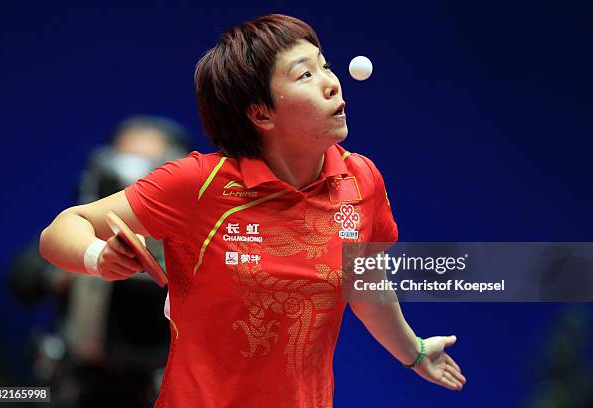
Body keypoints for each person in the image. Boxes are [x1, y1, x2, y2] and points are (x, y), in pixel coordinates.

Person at [39, 14, 466, 407]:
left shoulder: (361, 181)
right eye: (305, 74)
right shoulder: (198, 184)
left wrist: (415, 352)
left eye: (325, 66)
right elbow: (62, 229)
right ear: (261, 113)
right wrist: (97, 259)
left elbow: (366, 287)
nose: (332, 83)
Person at [11, 115, 190, 407]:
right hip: (74, 384)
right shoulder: (83, 226)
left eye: (149, 164)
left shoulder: (197, 236)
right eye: (124, 159)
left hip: (157, 387)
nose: (132, 176)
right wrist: (84, 261)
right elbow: (23, 278)